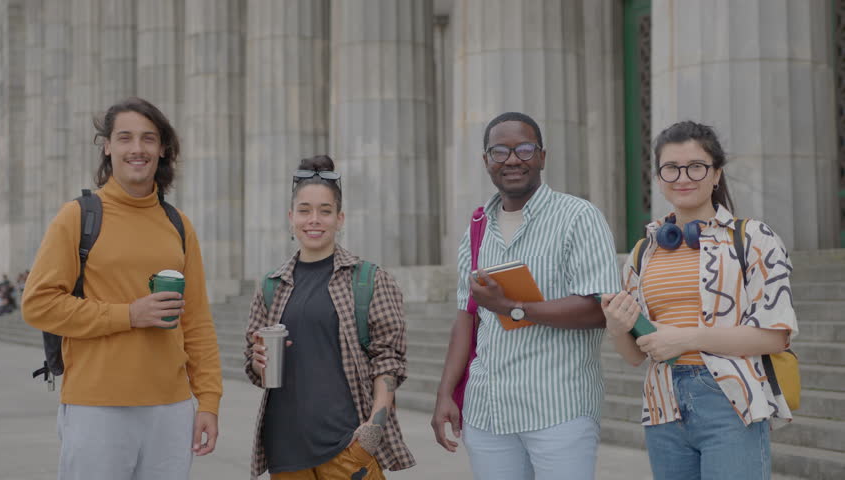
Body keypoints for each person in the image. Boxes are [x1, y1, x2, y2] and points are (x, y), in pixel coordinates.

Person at [21, 97, 223, 480]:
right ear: (108, 146)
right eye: (125, 137)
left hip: (172, 410)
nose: (137, 149)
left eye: (149, 139)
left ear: (162, 149)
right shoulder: (77, 217)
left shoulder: (179, 225)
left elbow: (196, 321)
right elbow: (38, 305)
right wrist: (129, 314)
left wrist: (209, 401)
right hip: (97, 407)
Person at [600, 120, 797, 480]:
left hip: (730, 401)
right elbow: (633, 357)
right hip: (663, 407)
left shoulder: (754, 238)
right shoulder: (644, 252)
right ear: (659, 178)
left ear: (716, 174)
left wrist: (688, 338)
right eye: (671, 168)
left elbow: (776, 335)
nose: (682, 177)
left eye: (696, 166)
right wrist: (616, 328)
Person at [431, 112, 621, 480]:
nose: (513, 159)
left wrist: (512, 308)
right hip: (488, 412)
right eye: (500, 151)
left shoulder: (578, 217)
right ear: (486, 161)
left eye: (524, 149)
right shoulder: (476, 229)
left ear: (542, 157)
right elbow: (465, 318)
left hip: (558, 410)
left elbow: (600, 307)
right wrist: (445, 394)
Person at [243, 155, 415, 479]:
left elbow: (388, 361)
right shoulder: (270, 286)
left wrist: (371, 433)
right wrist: (259, 359)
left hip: (347, 448)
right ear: (291, 217)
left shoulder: (369, 279)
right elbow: (254, 369)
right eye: (305, 210)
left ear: (340, 218)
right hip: (286, 452)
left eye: (325, 211)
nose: (314, 220)